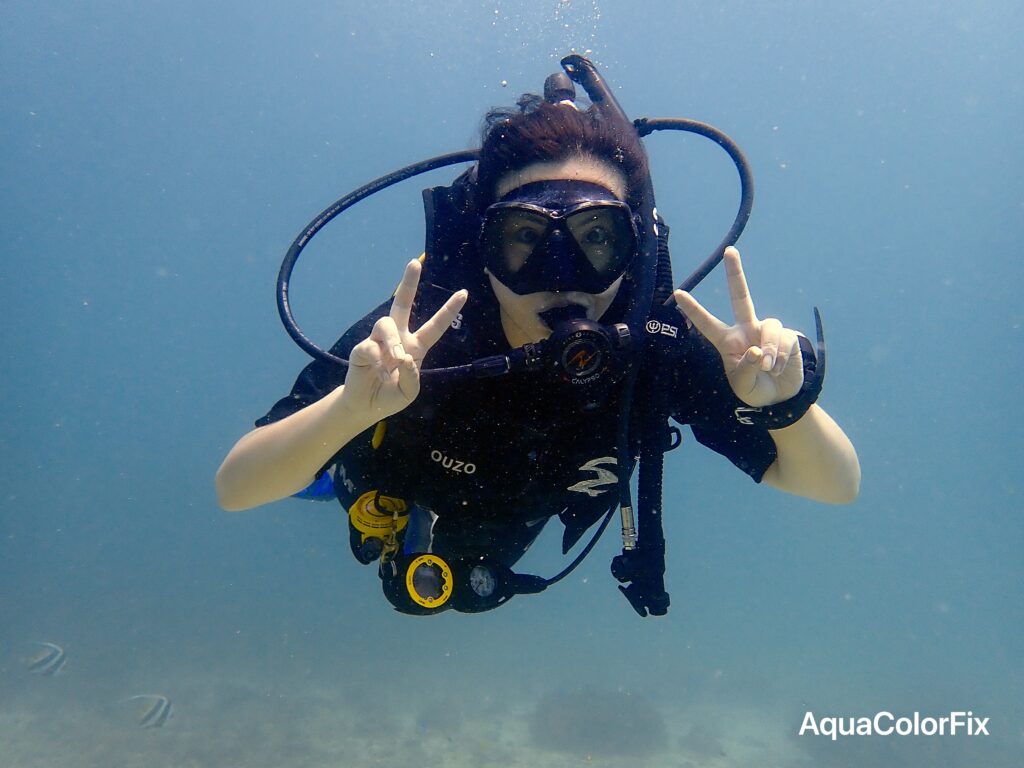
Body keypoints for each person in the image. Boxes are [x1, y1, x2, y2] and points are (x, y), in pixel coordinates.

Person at [216, 62, 859, 616]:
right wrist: (350, 410)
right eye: (525, 238)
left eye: (596, 238)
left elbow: (833, 483)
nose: (562, 277)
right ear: (482, 247)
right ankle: (328, 473)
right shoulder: (420, 338)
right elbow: (236, 485)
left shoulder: (657, 346)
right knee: (314, 469)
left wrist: (786, 407)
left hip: (504, 535)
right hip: (389, 489)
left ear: (633, 251)